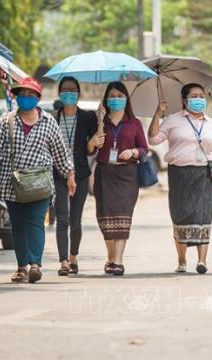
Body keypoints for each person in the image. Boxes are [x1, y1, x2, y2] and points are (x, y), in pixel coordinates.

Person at [0, 77, 76, 283]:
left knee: (35, 223)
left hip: (39, 184)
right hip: (12, 184)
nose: (25, 98)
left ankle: (35, 264)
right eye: (21, 95)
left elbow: (60, 152)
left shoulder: (48, 121)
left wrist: (69, 175)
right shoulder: (5, 120)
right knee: (17, 225)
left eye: (30, 95)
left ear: (37, 98)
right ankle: (21, 267)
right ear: (16, 98)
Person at [148, 83, 212, 274]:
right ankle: (182, 260)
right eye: (194, 96)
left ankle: (202, 261)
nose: (199, 99)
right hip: (179, 174)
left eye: (202, 96)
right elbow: (153, 139)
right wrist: (158, 113)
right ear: (185, 100)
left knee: (203, 215)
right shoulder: (173, 120)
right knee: (180, 215)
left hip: (204, 174)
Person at [92, 81, 148, 276]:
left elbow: (144, 149)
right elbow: (91, 149)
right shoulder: (99, 120)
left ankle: (118, 260)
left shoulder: (135, 123)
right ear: (106, 99)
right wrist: (99, 121)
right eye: (112, 96)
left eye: (120, 96)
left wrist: (133, 151)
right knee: (105, 218)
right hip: (104, 173)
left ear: (126, 99)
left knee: (123, 217)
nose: (116, 100)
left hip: (127, 176)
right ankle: (110, 257)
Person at [54, 76, 102, 276]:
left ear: (78, 93)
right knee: (62, 218)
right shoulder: (52, 117)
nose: (68, 94)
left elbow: (93, 148)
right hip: (58, 174)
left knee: (75, 219)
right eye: (65, 90)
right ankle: (63, 261)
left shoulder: (88, 117)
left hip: (81, 174)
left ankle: (73, 257)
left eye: (72, 91)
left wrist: (100, 121)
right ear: (59, 93)